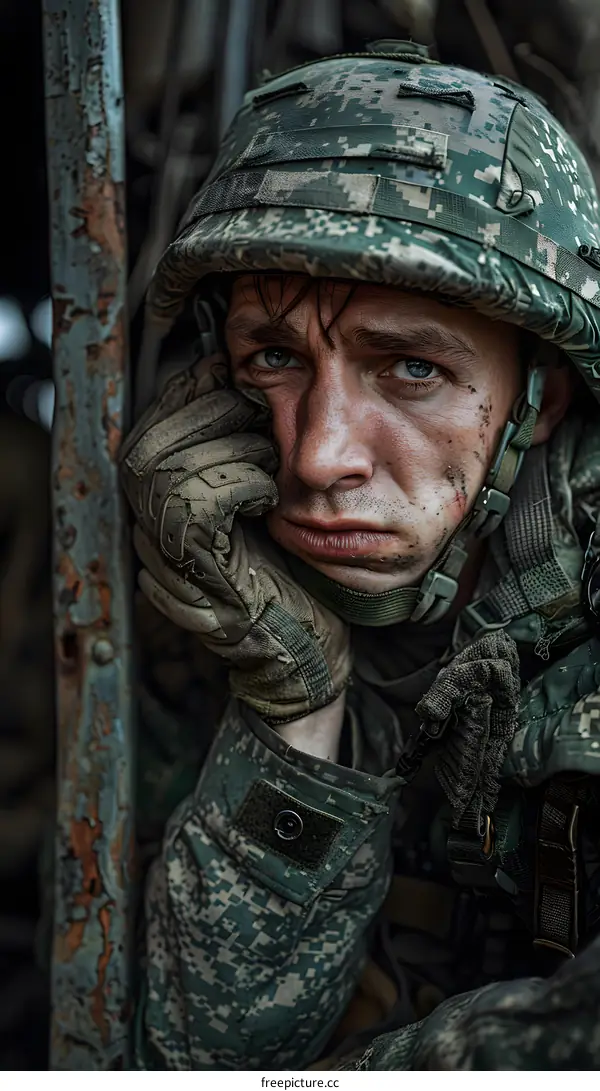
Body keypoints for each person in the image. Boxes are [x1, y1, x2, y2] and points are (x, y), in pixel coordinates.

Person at [119, 40, 600, 1070]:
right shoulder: (210, 579)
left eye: (412, 367)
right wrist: (293, 691)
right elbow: (189, 1050)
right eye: (277, 357)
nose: (319, 453)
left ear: (542, 399)